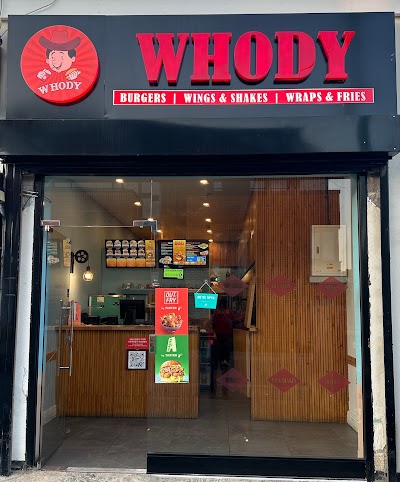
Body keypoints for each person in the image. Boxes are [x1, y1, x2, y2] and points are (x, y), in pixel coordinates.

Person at [210, 297, 235, 397]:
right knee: (225, 368)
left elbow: (210, 324)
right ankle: (225, 392)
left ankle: (213, 392)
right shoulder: (229, 313)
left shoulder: (215, 314)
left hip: (216, 343)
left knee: (214, 368)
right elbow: (234, 323)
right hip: (226, 343)